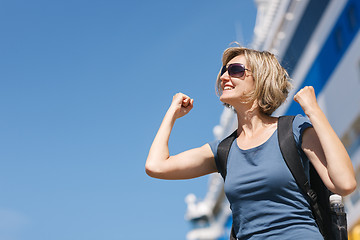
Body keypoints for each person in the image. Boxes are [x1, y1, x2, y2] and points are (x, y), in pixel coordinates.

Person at [145, 45, 356, 239]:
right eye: (223, 71)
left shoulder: (293, 129)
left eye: (235, 70)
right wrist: (171, 113)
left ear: (260, 78)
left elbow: (344, 183)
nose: (224, 77)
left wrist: (313, 110)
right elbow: (156, 166)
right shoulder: (223, 150)